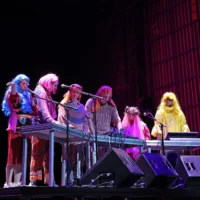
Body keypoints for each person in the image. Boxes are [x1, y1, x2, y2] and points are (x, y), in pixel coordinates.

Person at [1, 74, 38, 188]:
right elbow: (13, 98)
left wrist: (33, 102)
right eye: (23, 83)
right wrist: (13, 87)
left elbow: (34, 113)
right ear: (18, 84)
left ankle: (17, 182)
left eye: (27, 84)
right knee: (12, 155)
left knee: (22, 156)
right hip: (16, 127)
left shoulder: (27, 96)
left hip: (26, 129)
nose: (26, 86)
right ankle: (8, 182)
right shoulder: (13, 94)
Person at [29, 73, 59, 186]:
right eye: (54, 85)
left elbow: (52, 113)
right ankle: (34, 180)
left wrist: (56, 124)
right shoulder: (40, 91)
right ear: (47, 82)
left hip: (47, 128)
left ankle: (49, 180)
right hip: (39, 127)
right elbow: (44, 111)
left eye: (56, 85)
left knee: (49, 154)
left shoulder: (48, 94)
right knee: (38, 152)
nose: (55, 88)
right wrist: (53, 122)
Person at [57, 84, 89, 182]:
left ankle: (77, 178)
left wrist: (85, 132)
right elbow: (62, 119)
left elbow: (85, 121)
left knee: (79, 158)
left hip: (79, 137)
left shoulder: (82, 107)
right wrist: (71, 129)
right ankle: (67, 179)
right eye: (73, 91)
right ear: (70, 92)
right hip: (69, 136)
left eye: (77, 92)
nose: (75, 94)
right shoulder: (64, 104)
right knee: (69, 158)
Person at [85, 85, 122, 165]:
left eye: (108, 97)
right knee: (93, 161)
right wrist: (94, 135)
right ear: (99, 94)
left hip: (106, 137)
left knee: (106, 161)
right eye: (104, 97)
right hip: (93, 136)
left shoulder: (111, 106)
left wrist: (120, 132)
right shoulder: (91, 102)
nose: (106, 99)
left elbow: (117, 121)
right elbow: (88, 119)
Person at [151, 92, 190, 167]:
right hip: (165, 144)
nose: (168, 101)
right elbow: (157, 126)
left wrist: (184, 139)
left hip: (178, 144)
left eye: (170, 99)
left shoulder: (179, 113)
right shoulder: (160, 113)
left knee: (179, 164)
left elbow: (184, 126)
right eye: (166, 100)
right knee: (166, 164)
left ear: (173, 100)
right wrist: (160, 141)